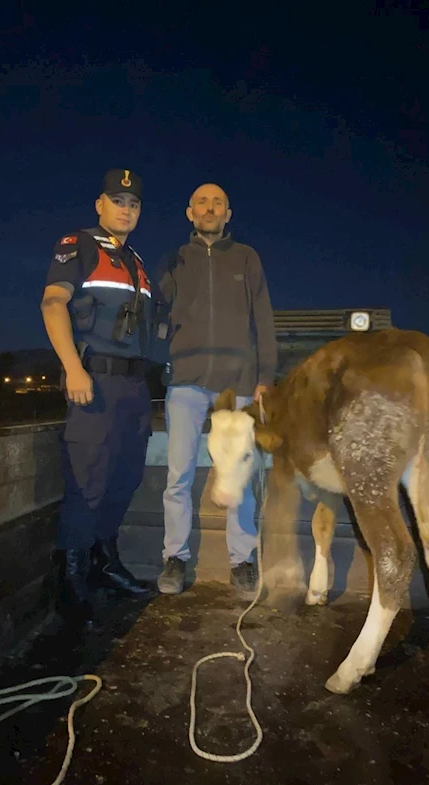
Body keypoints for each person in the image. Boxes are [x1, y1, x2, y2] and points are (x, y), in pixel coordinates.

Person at [40, 168, 168, 625]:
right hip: (96, 382)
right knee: (87, 482)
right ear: (100, 204)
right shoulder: (80, 246)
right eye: (118, 201)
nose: (126, 209)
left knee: (126, 477)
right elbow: (53, 303)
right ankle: (70, 580)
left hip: (136, 389)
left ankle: (104, 563)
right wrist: (73, 368)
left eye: (133, 203)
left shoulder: (135, 260)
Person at [156, 183, 277, 600]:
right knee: (178, 475)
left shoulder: (247, 258)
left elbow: (262, 318)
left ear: (229, 213)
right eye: (203, 203)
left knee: (239, 475)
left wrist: (266, 375)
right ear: (190, 212)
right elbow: (157, 313)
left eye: (218, 203)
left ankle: (242, 559)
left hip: (237, 382)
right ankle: (175, 556)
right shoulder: (175, 260)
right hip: (186, 381)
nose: (210, 209)